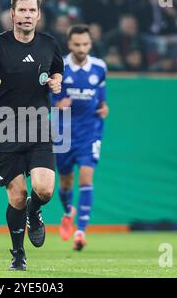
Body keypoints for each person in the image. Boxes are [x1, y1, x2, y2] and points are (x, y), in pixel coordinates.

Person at [0, 0, 63, 271]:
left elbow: (57, 70)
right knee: (17, 195)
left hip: (39, 127)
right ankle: (18, 254)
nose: (27, 16)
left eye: (32, 11)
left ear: (39, 15)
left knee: (44, 190)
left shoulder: (49, 44)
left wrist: (56, 82)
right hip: (5, 128)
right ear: (13, 14)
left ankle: (35, 211)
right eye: (23, 11)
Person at [51, 24, 109, 251]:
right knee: (65, 182)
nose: (81, 48)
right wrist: (57, 104)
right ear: (69, 44)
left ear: (90, 44)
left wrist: (104, 108)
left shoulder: (100, 67)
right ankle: (68, 212)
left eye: (85, 44)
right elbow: (48, 97)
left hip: (90, 132)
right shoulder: (60, 66)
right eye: (77, 44)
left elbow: (101, 100)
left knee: (86, 178)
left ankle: (81, 231)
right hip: (63, 133)